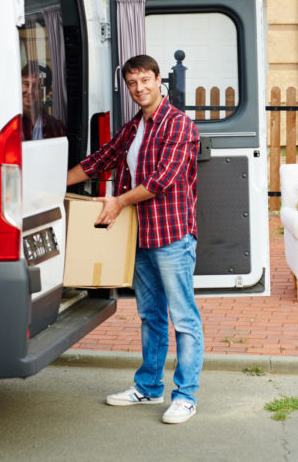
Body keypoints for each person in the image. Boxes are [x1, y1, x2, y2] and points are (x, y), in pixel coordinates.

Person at [66, 54, 203, 425]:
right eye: (132, 83)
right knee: (150, 315)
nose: (139, 88)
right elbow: (100, 160)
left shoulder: (179, 125)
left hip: (172, 235)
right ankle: (148, 388)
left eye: (145, 80)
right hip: (140, 237)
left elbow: (162, 180)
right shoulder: (133, 127)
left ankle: (186, 396)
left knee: (183, 318)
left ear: (160, 81)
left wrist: (118, 202)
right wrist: (51, 185)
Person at [22, 62, 66, 139]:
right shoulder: (9, 125)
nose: (29, 91)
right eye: (25, 84)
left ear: (47, 91)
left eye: (36, 86)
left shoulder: (57, 127)